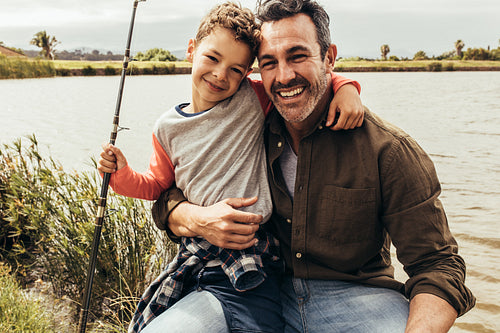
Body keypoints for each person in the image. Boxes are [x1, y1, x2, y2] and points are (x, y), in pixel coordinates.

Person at [159, 0, 476, 332]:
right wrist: (196, 218)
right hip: (256, 287)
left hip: (359, 299)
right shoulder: (249, 128)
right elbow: (166, 195)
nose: (284, 76)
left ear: (329, 58)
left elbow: (438, 266)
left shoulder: (389, 150)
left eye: (297, 56)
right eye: (269, 63)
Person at [97, 2, 363, 332]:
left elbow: (304, 82)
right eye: (212, 58)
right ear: (191, 50)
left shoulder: (252, 98)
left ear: (247, 73)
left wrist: (347, 88)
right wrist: (120, 175)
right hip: (196, 252)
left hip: (252, 254)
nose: (221, 75)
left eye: (237, 69)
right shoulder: (166, 128)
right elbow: (155, 185)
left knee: (259, 325)